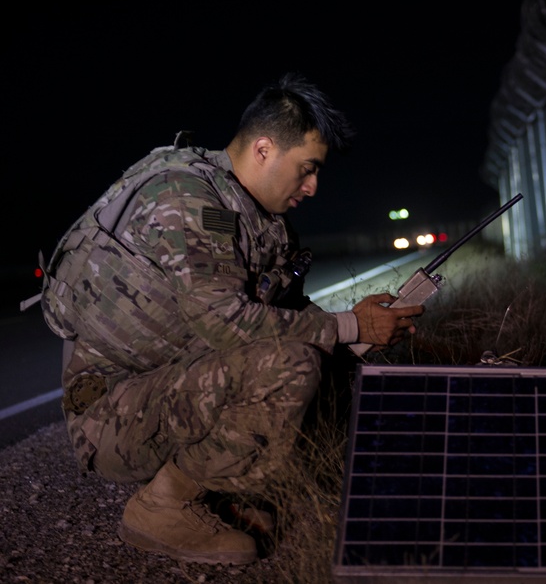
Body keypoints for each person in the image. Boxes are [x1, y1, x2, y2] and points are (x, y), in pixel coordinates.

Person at [40, 73, 424, 565]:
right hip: (111, 414)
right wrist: (348, 326)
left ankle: (213, 489)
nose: (313, 186)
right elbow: (224, 322)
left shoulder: (262, 220)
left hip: (168, 387)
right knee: (292, 365)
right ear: (264, 149)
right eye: (307, 169)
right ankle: (163, 505)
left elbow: (287, 316)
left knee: (324, 356)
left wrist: (358, 330)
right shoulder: (188, 198)